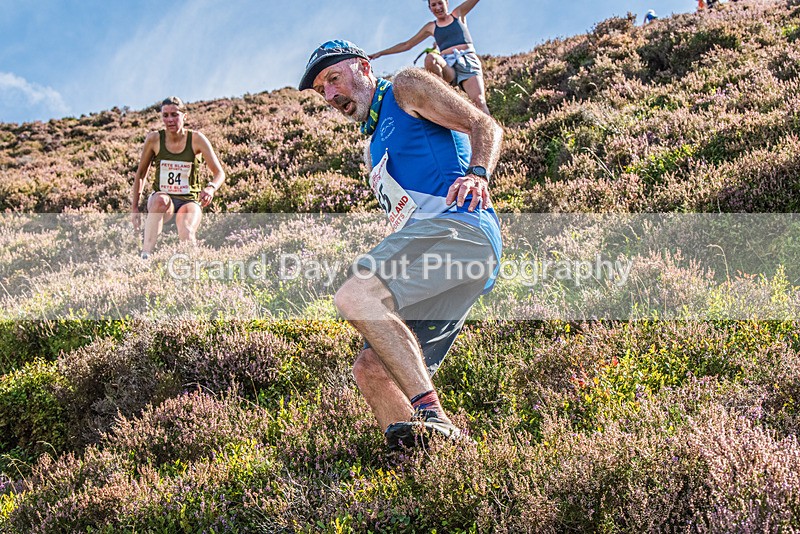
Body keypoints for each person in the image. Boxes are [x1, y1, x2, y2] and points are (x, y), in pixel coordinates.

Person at [299, 40, 503, 450]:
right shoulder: (371, 144)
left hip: (459, 228)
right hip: (441, 256)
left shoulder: (404, 88)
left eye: (334, 79)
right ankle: (434, 464)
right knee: (371, 368)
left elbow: (487, 125)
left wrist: (478, 174)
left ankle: (432, 414)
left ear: (363, 67)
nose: (331, 95)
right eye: (323, 90)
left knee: (355, 294)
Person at [130, 96, 225, 258]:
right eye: (165, 116)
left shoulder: (196, 139)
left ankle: (193, 267)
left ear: (184, 116)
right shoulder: (154, 139)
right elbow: (140, 174)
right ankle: (145, 255)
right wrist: (134, 208)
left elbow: (219, 173)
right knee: (161, 200)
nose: (170, 120)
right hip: (163, 199)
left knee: (187, 230)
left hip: (188, 200)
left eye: (174, 115)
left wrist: (211, 188)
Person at [369, 0, 490, 115]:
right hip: (448, 66)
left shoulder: (457, 14)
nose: (438, 7)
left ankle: (491, 134)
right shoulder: (431, 27)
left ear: (446, 3)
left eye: (440, 3)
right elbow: (407, 44)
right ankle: (442, 99)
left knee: (479, 101)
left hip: (467, 61)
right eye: (434, 5)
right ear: (430, 8)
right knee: (430, 58)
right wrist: (381, 53)